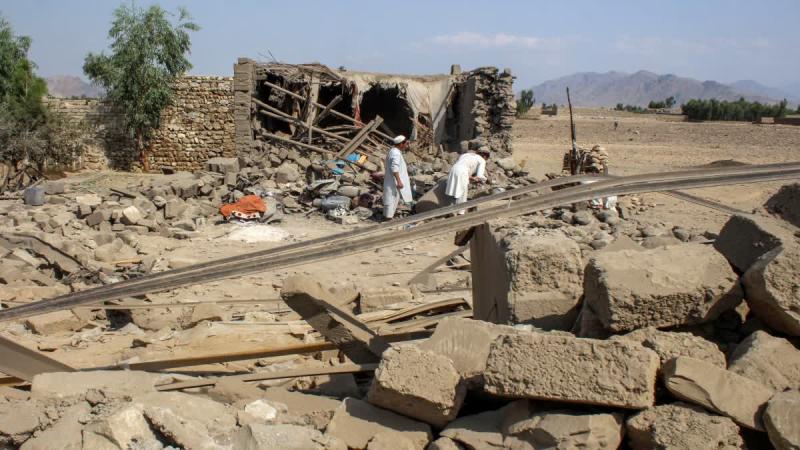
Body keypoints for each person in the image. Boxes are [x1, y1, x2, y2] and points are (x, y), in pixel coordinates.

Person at [382, 135, 412, 220]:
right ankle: (388, 218)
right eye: (406, 144)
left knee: (390, 198)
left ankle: (386, 216)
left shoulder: (392, 151)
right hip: (394, 181)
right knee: (392, 198)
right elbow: (394, 168)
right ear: (401, 144)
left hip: (390, 180)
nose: (407, 146)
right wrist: (399, 181)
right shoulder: (396, 153)